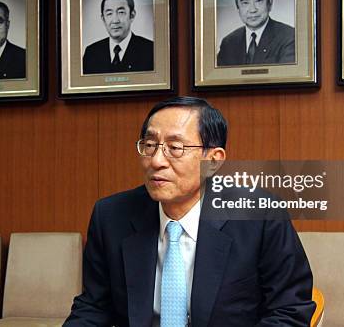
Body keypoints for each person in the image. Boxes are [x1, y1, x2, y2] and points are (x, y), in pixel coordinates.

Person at [64, 96, 315, 327]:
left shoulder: (259, 216)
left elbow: (289, 310)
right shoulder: (111, 216)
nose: (156, 161)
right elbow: (94, 307)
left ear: (213, 160)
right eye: (150, 144)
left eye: (175, 148)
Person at [217, 0, 295, 66]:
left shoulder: (289, 37)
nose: (252, 10)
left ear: (270, 3)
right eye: (245, 3)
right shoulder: (228, 43)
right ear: (238, 7)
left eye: (258, 1)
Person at [82, 0, 154, 74]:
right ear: (103, 19)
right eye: (109, 14)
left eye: (121, 12)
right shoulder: (91, 53)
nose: (115, 20)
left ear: (132, 15)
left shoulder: (150, 50)